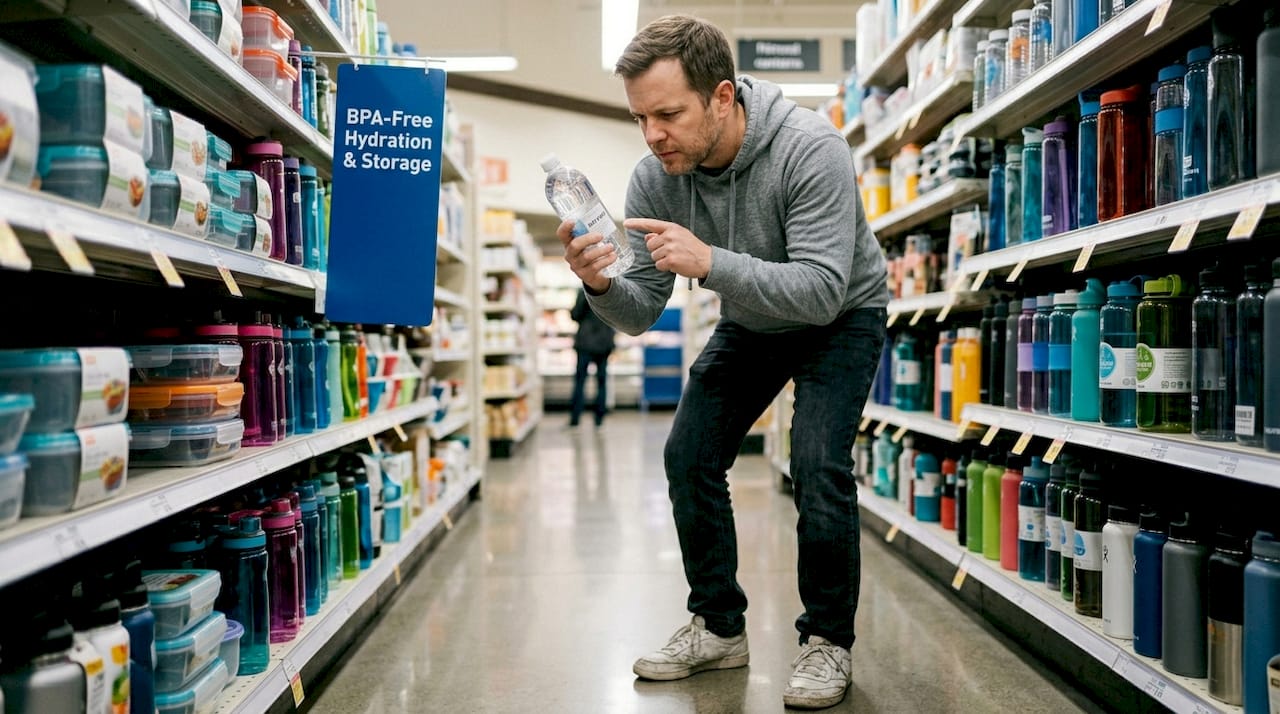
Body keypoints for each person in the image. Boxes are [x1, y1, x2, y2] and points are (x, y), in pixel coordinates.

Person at [556, 14, 889, 711]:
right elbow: (642, 309)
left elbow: (824, 290)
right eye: (640, 118)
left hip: (842, 317)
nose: (653, 136)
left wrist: (711, 263)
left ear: (722, 96)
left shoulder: (809, 147)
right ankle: (717, 627)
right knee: (689, 455)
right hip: (753, 319)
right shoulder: (656, 178)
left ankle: (827, 640)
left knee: (818, 463)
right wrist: (598, 286)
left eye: (668, 114)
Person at [568, 287, 616, 427]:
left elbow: (576, 315)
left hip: (585, 343)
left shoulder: (583, 290)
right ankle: (599, 420)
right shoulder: (612, 289)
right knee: (601, 383)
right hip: (604, 342)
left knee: (580, 382)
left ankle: (575, 420)